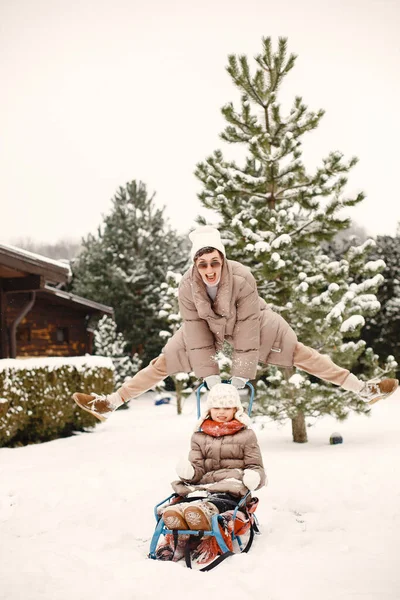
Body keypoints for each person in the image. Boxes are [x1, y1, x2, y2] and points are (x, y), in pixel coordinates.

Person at [73, 226, 398, 420]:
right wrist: (212, 380)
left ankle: (363, 389)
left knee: (300, 353)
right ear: (195, 265)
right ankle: (110, 403)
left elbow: (246, 332)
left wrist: (239, 379)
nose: (209, 269)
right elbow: (197, 336)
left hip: (252, 321)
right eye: (203, 264)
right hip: (208, 328)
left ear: (223, 260)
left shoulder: (242, 278)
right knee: (163, 361)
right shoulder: (187, 287)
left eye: (215, 262)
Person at [161, 382, 266, 532]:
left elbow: (255, 466)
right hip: (204, 485)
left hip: (232, 486)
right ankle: (182, 519)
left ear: (236, 409)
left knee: (223, 499)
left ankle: (204, 513)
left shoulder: (246, 435)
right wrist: (189, 472)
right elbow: (197, 470)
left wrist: (254, 476)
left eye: (227, 408)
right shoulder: (199, 436)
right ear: (209, 409)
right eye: (216, 407)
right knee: (190, 495)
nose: (221, 412)